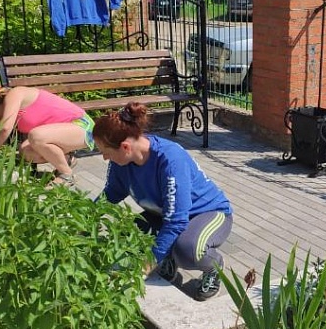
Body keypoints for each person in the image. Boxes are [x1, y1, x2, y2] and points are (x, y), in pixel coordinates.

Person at [93, 102, 233, 301]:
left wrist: (147, 264)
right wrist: (85, 218)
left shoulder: (170, 159)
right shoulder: (122, 162)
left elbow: (176, 221)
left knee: (187, 250)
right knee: (125, 235)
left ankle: (213, 267)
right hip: (165, 213)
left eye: (105, 151)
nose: (105, 157)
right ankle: (168, 257)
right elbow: (113, 193)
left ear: (125, 147)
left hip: (208, 213)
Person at [0, 83, 95, 186]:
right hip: (67, 132)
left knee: (36, 136)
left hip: (82, 127)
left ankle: (66, 175)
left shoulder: (14, 94)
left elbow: (5, 129)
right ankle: (66, 159)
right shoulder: (4, 107)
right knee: (26, 152)